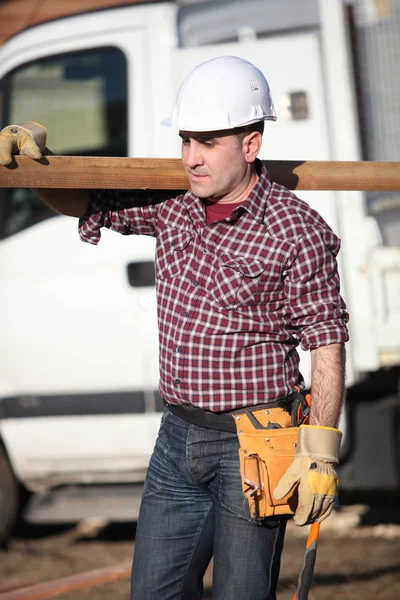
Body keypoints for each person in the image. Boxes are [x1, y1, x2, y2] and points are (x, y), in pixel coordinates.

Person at [0, 56, 348, 600]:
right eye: (186, 141)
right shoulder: (173, 204)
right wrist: (36, 166)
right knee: (154, 593)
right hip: (177, 440)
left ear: (251, 144)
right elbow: (85, 202)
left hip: (255, 443)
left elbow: (327, 340)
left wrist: (321, 449)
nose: (191, 159)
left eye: (207, 142)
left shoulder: (296, 231)